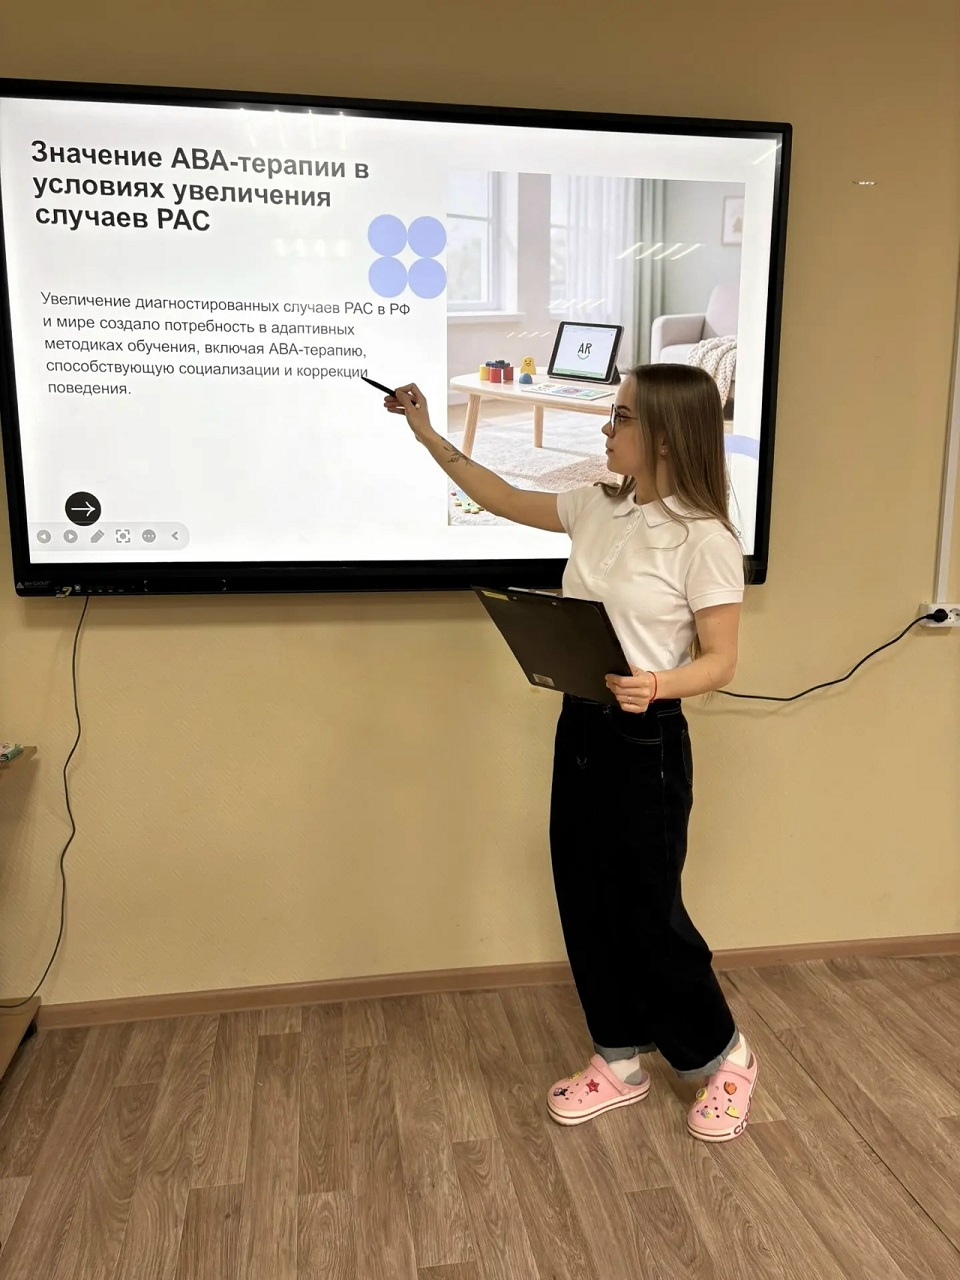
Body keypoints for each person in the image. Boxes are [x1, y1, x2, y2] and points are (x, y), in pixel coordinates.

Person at [384, 364, 757, 1143]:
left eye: (620, 417)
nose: (605, 429)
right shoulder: (597, 506)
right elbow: (499, 496)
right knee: (584, 897)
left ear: (665, 436)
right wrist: (425, 434)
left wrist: (658, 684)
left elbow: (721, 661)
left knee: (648, 910)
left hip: (647, 736)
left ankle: (724, 1055)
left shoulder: (704, 538)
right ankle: (618, 1058)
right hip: (581, 727)